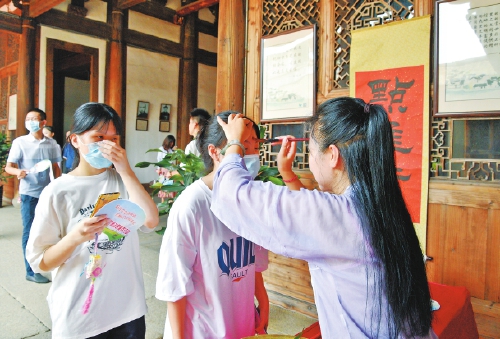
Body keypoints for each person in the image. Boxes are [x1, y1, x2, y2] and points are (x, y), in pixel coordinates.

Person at [211, 97, 436, 338]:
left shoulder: (341, 214)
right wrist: (287, 173)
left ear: (332, 155)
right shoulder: (378, 204)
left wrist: (234, 142)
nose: (310, 158)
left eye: (311, 150)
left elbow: (230, 193)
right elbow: (316, 223)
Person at [26, 102, 159, 338]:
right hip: (80, 316)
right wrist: (75, 237)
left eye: (114, 139)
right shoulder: (58, 191)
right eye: (98, 136)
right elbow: (41, 262)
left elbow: (150, 222)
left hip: (128, 311)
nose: (107, 145)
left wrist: (125, 170)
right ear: (75, 140)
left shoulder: (121, 180)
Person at [155, 111, 269, 338]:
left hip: (241, 324)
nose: (253, 154)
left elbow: (251, 260)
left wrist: (263, 301)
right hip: (203, 330)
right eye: (243, 144)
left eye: (256, 145)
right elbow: (175, 284)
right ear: (214, 152)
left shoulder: (252, 199)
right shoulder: (192, 205)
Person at [5, 108, 62, 284]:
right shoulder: (20, 142)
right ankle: (30, 271)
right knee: (29, 231)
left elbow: (56, 168)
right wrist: (18, 172)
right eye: (28, 118)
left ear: (43, 122)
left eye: (34, 119)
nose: (30, 121)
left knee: (50, 229)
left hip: (48, 193)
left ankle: (48, 262)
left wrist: (59, 186)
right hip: (29, 194)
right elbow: (9, 167)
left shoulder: (52, 144)